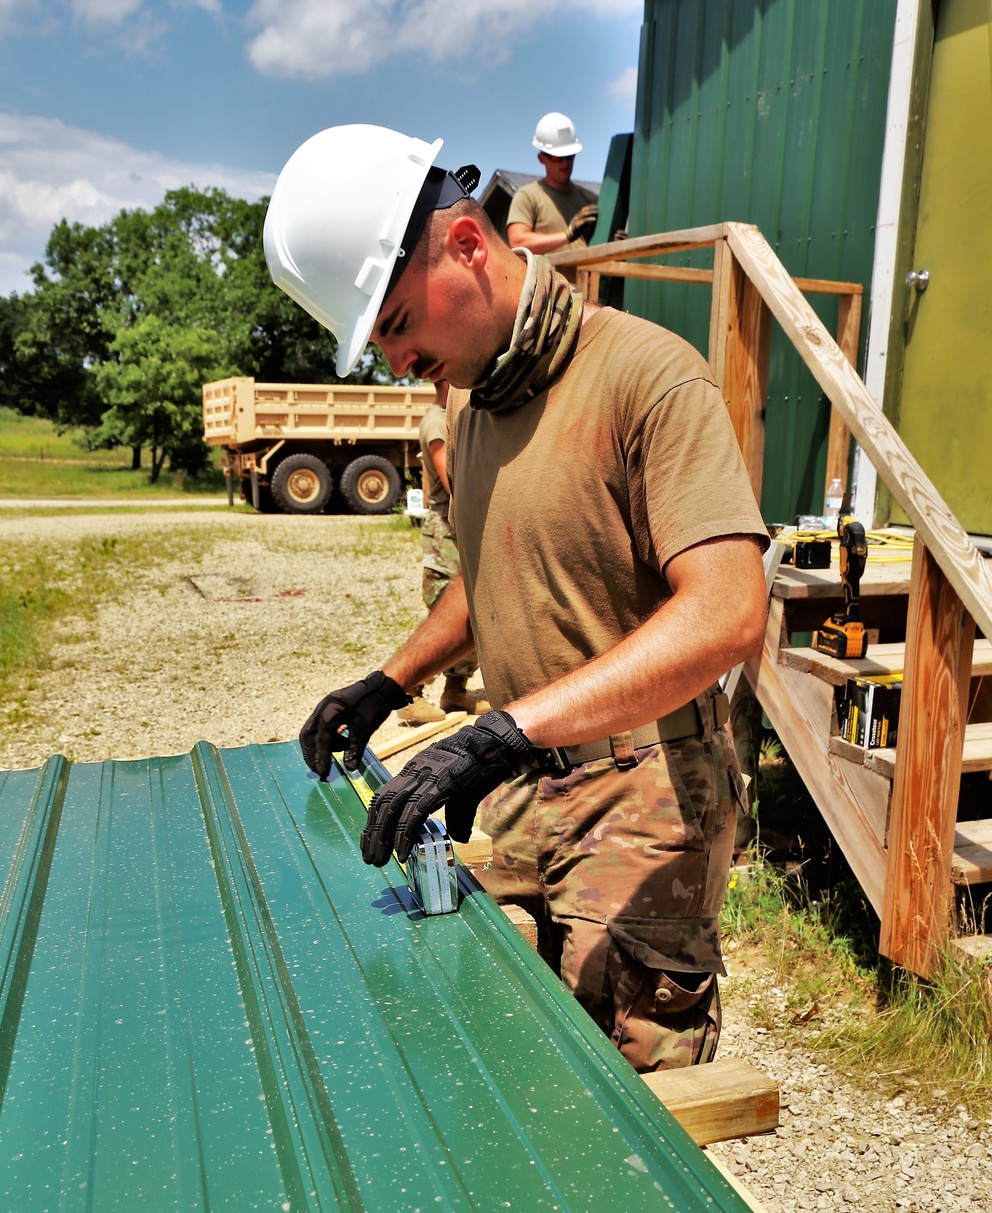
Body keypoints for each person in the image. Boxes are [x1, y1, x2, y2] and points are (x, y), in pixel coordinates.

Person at [264, 125, 769, 1073]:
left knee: (623, 1105)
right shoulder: (469, 402)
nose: (397, 361)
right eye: (379, 342)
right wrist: (392, 680)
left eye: (400, 322)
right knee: (507, 1058)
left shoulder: (649, 378)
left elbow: (727, 611)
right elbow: (490, 570)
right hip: (523, 783)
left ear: (464, 245)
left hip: (644, 794)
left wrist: (503, 732)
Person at [399, 377, 489, 726]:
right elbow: (454, 480)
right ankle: (409, 694)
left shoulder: (456, 413)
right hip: (446, 537)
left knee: (476, 614)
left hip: (461, 531)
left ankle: (455, 691)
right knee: (443, 619)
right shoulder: (438, 420)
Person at [506, 113, 598, 269]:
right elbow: (518, 242)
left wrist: (613, 242)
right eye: (557, 158)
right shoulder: (528, 196)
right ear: (541, 158)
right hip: (550, 292)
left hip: (585, 290)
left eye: (569, 157)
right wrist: (567, 235)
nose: (564, 163)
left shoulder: (589, 200)